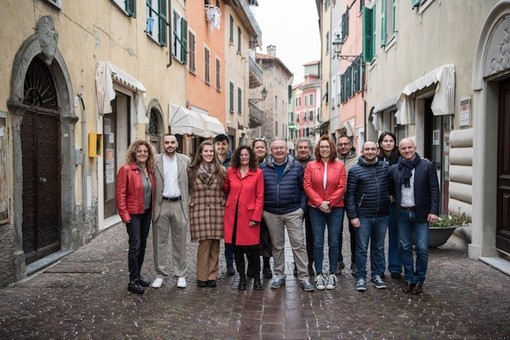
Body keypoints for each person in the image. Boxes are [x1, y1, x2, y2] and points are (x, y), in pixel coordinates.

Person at [260, 137, 314, 292]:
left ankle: (303, 277)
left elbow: (304, 189)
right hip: (271, 212)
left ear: (287, 150)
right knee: (277, 246)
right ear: (271, 150)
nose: (279, 151)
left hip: (292, 212)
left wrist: (301, 209)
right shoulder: (263, 168)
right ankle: (279, 275)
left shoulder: (297, 167)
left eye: (281, 148)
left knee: (298, 244)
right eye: (276, 148)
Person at [389, 138, 439, 295]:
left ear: (415, 147)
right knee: (404, 247)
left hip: (421, 213)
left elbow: (434, 190)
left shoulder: (427, 166)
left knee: (422, 248)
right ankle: (410, 278)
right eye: (403, 148)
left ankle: (419, 280)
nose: (407, 150)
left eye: (409, 147)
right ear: (400, 151)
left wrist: (434, 211)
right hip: (403, 212)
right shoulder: (394, 169)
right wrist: (391, 197)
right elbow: (391, 188)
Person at [346, 141, 392, 292]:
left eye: (373, 149)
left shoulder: (385, 167)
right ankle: (360, 277)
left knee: (378, 247)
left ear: (378, 151)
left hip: (382, 215)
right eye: (367, 149)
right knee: (361, 248)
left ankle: (376, 275)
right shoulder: (355, 170)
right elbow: (350, 195)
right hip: (363, 215)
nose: (370, 151)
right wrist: (353, 216)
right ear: (362, 151)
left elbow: (395, 181)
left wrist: (391, 197)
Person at [304, 136, 346, 290]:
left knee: (334, 242)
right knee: (318, 242)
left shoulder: (340, 166)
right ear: (318, 149)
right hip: (316, 208)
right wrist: (319, 202)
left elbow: (342, 186)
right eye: (321, 147)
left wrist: (329, 202)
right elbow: (307, 186)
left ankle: (332, 273)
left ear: (332, 148)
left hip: (336, 208)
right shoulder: (311, 165)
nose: (324, 149)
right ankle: (320, 274)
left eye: (327, 147)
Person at [115, 140, 156, 294]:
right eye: (139, 151)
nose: (142, 154)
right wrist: (124, 215)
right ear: (134, 153)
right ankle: (132, 280)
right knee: (135, 245)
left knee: (143, 244)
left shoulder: (150, 170)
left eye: (145, 151)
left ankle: (138, 276)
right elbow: (120, 194)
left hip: (146, 212)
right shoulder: (126, 169)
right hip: (133, 213)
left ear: (149, 153)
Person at [151, 134, 190, 289]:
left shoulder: (185, 161)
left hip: (179, 204)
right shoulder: (154, 161)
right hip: (161, 204)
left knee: (180, 241)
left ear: (177, 144)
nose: (170, 145)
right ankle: (160, 274)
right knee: (159, 242)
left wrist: (189, 200)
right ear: (162, 144)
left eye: (172, 142)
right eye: (167, 142)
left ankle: (180, 274)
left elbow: (192, 182)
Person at [224, 146, 264, 290]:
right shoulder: (231, 172)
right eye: (241, 155)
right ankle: (242, 278)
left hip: (249, 217)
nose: (244, 157)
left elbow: (260, 196)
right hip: (233, 217)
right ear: (237, 157)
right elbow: (226, 188)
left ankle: (257, 279)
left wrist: (256, 216)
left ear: (251, 156)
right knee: (237, 250)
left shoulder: (258, 173)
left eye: (247, 155)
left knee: (253, 251)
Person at [188, 140, 226, 288]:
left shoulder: (221, 170)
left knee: (215, 243)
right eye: (206, 151)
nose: (209, 154)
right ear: (201, 153)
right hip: (199, 210)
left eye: (211, 151)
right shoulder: (191, 170)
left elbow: (226, 190)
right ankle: (201, 276)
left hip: (217, 210)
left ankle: (212, 276)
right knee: (204, 243)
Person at [377, 131, 402, 279]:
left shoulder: (400, 158)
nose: (388, 143)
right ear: (380, 143)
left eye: (391, 141)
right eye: (385, 141)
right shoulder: (375, 158)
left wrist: (393, 196)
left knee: (395, 235)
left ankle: (395, 266)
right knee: (379, 238)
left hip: (395, 202)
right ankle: (379, 267)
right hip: (379, 202)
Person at [213, 134, 235, 276]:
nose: (221, 147)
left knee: (230, 236)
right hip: (213, 203)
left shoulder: (234, 161)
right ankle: (212, 267)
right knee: (213, 236)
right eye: (218, 144)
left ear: (228, 145)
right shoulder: (209, 159)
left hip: (230, 203)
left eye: (223, 144)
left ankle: (229, 264)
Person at [336, 135, 358, 275]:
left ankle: (355, 262)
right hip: (337, 200)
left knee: (355, 232)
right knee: (336, 233)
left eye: (346, 144)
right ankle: (338, 261)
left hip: (353, 200)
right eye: (341, 144)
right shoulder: (333, 160)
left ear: (351, 145)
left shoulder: (358, 160)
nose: (343, 146)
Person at [295, 137, 316, 277]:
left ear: (310, 149)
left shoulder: (315, 163)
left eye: (305, 147)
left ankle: (309, 265)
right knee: (296, 238)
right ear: (297, 149)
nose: (303, 150)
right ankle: (298, 266)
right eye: (300, 147)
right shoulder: (291, 163)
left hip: (313, 203)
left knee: (312, 237)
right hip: (295, 204)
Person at [252, 138, 273, 279]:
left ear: (266, 150)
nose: (259, 149)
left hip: (267, 206)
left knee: (267, 239)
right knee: (251, 239)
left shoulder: (271, 165)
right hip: (251, 207)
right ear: (253, 149)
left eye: (262, 147)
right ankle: (252, 266)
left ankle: (266, 266)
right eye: (257, 147)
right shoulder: (247, 165)